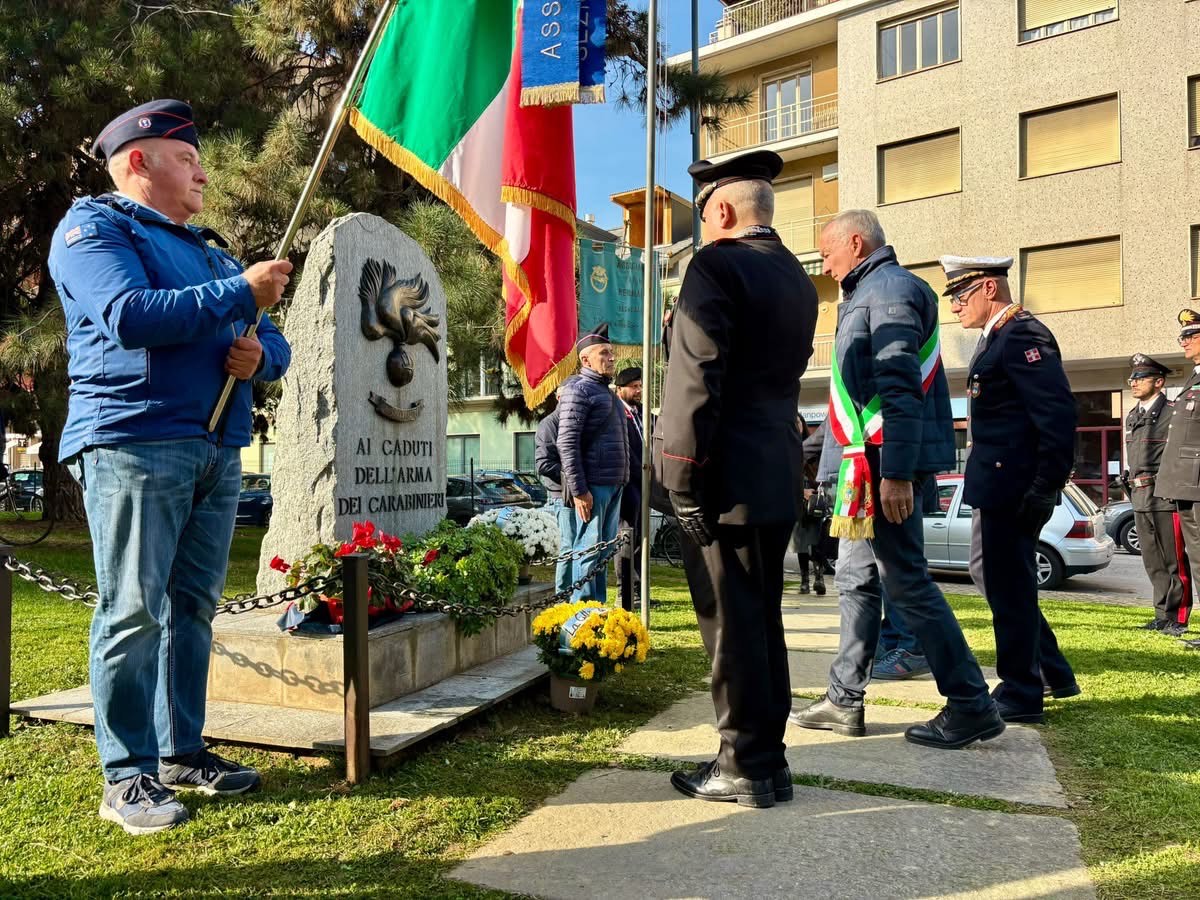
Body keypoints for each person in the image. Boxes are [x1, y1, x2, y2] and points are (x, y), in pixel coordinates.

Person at [47, 100, 293, 836]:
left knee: (191, 610)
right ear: (138, 162)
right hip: (134, 441)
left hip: (217, 446)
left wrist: (259, 357)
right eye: (187, 159)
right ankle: (126, 775)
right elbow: (129, 313)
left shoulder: (215, 253)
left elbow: (272, 343)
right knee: (132, 610)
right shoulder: (95, 228)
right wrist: (238, 294)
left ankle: (184, 751)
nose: (204, 173)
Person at [791, 213, 1002, 749]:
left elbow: (900, 387)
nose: (825, 263)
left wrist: (900, 475)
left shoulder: (889, 291)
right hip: (867, 469)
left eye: (827, 252)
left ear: (855, 243)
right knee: (855, 581)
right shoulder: (872, 290)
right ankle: (844, 700)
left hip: (883, 470)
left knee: (905, 582)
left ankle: (970, 702)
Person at [661, 149, 818, 809]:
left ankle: (743, 765)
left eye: (704, 213)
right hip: (774, 471)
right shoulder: (796, 276)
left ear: (720, 210)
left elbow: (695, 377)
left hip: (724, 478)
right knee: (760, 625)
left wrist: (679, 478)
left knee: (728, 626)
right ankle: (767, 760)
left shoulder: (717, 264)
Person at [941, 254, 1079, 723]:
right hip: (997, 482)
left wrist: (1046, 485)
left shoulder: (1022, 335)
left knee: (1009, 587)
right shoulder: (998, 337)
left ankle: (1022, 690)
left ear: (988, 289)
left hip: (1013, 485)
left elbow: (1057, 415)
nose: (956, 306)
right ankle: (1052, 671)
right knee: (996, 577)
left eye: (960, 296)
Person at [556, 324, 629, 602]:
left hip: (613, 484)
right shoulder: (579, 390)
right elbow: (567, 443)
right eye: (604, 353)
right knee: (588, 549)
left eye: (611, 353)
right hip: (593, 486)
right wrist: (579, 490)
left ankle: (597, 609)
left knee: (603, 551)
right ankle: (582, 614)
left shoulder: (608, 394)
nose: (611, 358)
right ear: (586, 360)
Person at [1123, 354, 1186, 632]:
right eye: (1132, 378)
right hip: (1140, 497)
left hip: (1164, 495)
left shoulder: (1174, 412)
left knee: (1174, 561)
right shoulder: (1133, 415)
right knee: (1152, 561)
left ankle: (1177, 618)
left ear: (1159, 382)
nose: (1133, 383)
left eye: (1140, 378)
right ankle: (1161, 614)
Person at [1153, 309, 1200, 641]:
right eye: (1182, 336)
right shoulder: (1193, 378)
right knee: (1196, 559)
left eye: (1190, 336)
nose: (1183, 342)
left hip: (1197, 483)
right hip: (1185, 483)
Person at [534, 389, 573, 594]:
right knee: (568, 546)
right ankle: (562, 595)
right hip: (562, 494)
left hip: (579, 492)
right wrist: (573, 477)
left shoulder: (575, 422)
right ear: (559, 398)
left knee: (579, 547)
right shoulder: (549, 424)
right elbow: (543, 464)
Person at [614, 366, 645, 601]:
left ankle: (640, 586)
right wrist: (640, 471)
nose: (639, 390)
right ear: (619, 389)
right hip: (628, 483)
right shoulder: (617, 413)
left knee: (641, 534)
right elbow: (626, 450)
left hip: (644, 483)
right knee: (626, 534)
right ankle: (626, 588)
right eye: (633, 387)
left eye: (640, 386)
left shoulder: (640, 413)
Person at [791, 417, 827, 596]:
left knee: (817, 543)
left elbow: (822, 474)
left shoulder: (813, 447)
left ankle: (819, 578)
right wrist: (800, 492)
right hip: (798, 504)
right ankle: (804, 581)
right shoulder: (788, 447)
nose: (796, 425)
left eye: (798, 422)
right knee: (801, 544)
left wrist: (815, 491)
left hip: (815, 503)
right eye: (794, 422)